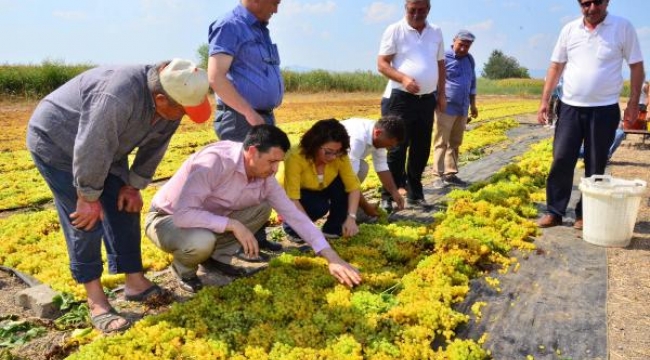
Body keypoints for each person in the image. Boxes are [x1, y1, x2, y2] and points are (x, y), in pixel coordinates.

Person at [26, 59, 212, 333]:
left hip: (108, 148)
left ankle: (135, 283)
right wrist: (88, 196)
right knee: (86, 220)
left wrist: (134, 185)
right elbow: (92, 144)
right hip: (59, 142)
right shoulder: (117, 95)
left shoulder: (173, 100)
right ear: (161, 99)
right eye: (182, 111)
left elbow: (156, 145)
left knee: (126, 206)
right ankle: (96, 300)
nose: (183, 116)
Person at [145, 125, 361, 292]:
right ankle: (184, 270)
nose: (275, 169)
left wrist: (332, 257)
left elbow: (295, 216)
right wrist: (233, 224)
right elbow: (184, 214)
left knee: (263, 208)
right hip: (167, 218)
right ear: (252, 152)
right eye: (271, 162)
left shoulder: (265, 176)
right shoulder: (215, 162)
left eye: (279, 163)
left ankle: (216, 258)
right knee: (200, 241)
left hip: (209, 216)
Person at [537, 0, 644, 230]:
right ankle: (555, 211)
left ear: (607, 2)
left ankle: (585, 214)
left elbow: (636, 66)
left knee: (595, 163)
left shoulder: (622, 27)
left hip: (604, 109)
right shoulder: (570, 29)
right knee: (562, 158)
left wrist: (634, 102)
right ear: (579, 4)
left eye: (598, 2)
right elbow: (556, 66)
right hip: (570, 107)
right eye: (586, 3)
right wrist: (545, 100)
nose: (592, 8)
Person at [377, 0, 446, 210]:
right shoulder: (394, 30)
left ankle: (415, 192)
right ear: (405, 8)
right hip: (400, 98)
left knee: (421, 147)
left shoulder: (436, 32)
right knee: (396, 146)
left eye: (421, 10)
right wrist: (403, 78)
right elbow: (382, 64)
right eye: (412, 10)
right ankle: (389, 194)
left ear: (429, 9)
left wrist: (441, 94)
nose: (416, 14)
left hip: (426, 100)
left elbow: (440, 64)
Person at [207, 0, 283, 142]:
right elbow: (215, 77)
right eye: (274, 3)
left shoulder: (259, 29)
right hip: (241, 120)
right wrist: (249, 113)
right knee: (244, 164)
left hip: (259, 118)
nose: (276, 10)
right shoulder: (230, 25)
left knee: (265, 164)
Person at [281, 119, 361, 241]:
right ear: (314, 144)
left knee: (342, 185)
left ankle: (333, 228)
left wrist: (351, 218)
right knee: (318, 206)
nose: (333, 157)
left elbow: (353, 187)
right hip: (296, 194)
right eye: (328, 152)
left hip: (321, 186)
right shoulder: (295, 156)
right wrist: (310, 229)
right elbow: (292, 198)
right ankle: (292, 228)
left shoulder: (340, 155)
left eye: (337, 152)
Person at [432, 30, 478, 189]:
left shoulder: (469, 60)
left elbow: (472, 83)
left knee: (455, 142)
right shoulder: (443, 57)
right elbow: (435, 80)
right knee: (441, 141)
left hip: (462, 107)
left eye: (467, 46)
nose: (464, 49)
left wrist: (473, 104)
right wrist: (439, 98)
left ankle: (450, 174)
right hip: (446, 106)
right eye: (461, 45)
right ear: (454, 41)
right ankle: (437, 175)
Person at [341, 116, 406, 216]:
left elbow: (381, 166)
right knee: (360, 169)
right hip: (318, 168)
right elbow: (350, 180)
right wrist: (366, 207)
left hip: (338, 163)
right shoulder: (357, 140)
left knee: (362, 167)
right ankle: (341, 206)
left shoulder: (379, 135)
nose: (389, 148)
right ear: (378, 133)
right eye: (389, 144)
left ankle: (350, 204)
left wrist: (394, 192)